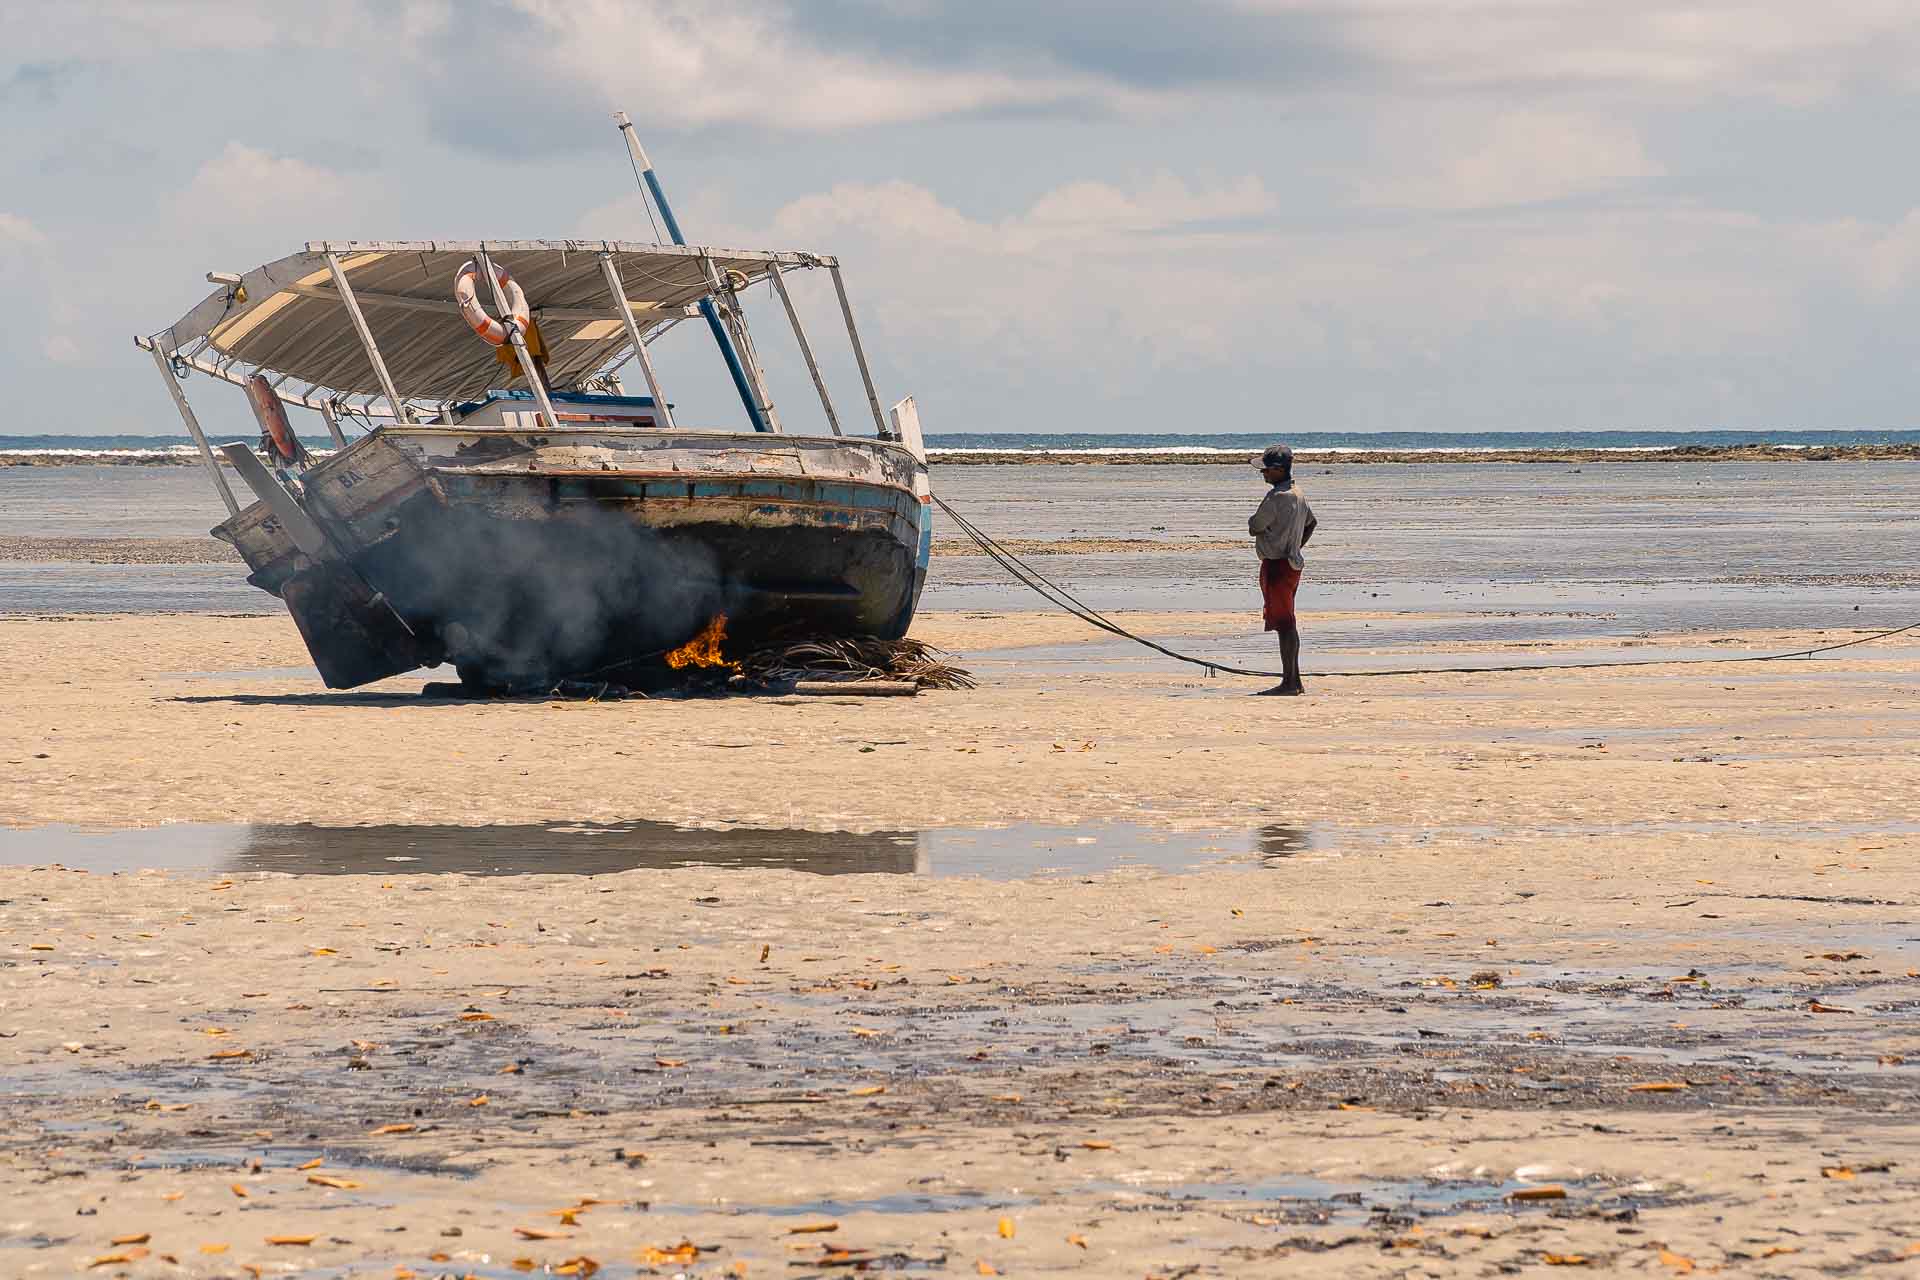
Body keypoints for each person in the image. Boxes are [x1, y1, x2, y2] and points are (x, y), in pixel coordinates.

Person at [1248, 443, 1317, 695]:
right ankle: (1293, 680)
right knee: (1288, 623)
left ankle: (1290, 683)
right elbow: (1312, 523)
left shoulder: (1276, 497)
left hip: (1277, 565)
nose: (1263, 474)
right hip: (1291, 564)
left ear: (1278, 470)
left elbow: (1255, 525)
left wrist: (1287, 546)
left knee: (1285, 625)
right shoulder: (1298, 493)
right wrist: (1295, 547)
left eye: (1266, 470)